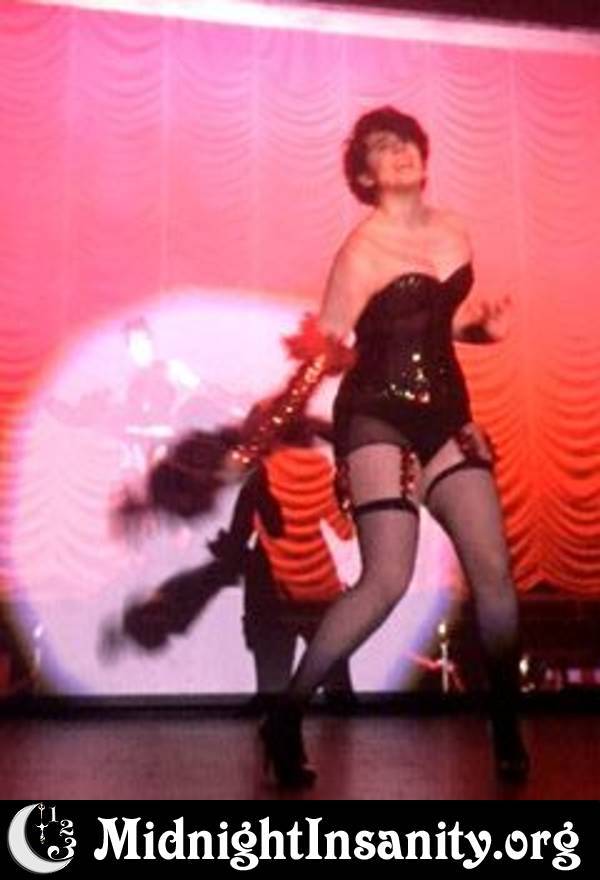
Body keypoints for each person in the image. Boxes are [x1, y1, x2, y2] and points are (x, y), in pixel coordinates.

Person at [257, 106, 529, 788]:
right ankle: (287, 715)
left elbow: (436, 321)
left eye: (406, 140)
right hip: (375, 415)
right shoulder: (361, 252)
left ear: (423, 155)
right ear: (364, 175)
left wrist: (481, 330)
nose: (400, 150)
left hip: (447, 416)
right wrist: (266, 428)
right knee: (387, 579)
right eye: (382, 147)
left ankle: (504, 724)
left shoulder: (455, 230)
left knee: (494, 572)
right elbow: (326, 349)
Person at [209, 415, 355, 708]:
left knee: (271, 687)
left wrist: (226, 553)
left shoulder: (259, 479)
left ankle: (275, 729)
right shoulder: (321, 476)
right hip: (318, 588)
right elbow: (345, 532)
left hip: (269, 593)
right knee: (337, 689)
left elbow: (238, 539)